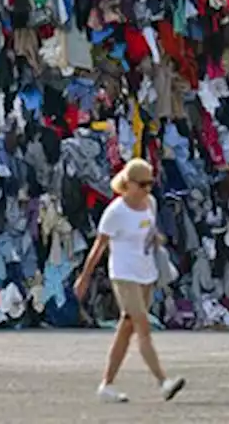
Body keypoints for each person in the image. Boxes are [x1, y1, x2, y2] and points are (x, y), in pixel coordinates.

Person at [75, 157, 186, 404]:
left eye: (150, 184)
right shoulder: (115, 212)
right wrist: (85, 277)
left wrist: (157, 239)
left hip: (146, 273)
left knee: (127, 328)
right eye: (143, 184)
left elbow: (148, 231)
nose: (148, 189)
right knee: (142, 325)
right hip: (124, 274)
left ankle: (107, 384)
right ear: (129, 184)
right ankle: (163, 381)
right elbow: (99, 247)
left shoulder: (151, 204)